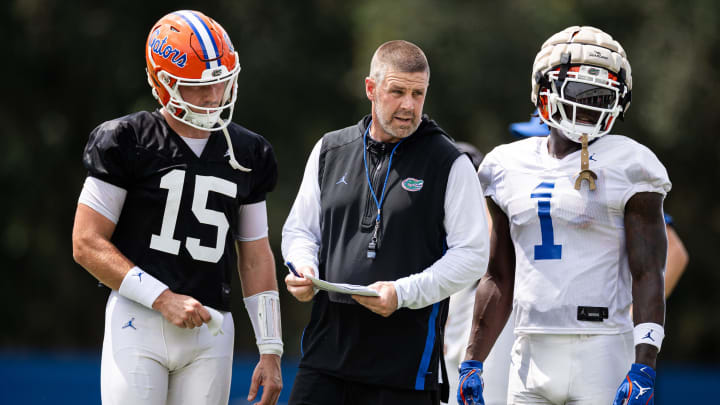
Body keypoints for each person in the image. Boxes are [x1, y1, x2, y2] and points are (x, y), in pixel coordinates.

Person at [71, 10, 282, 405]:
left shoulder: (249, 151)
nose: (213, 96)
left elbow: (255, 256)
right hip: (138, 322)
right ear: (162, 84)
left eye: (220, 83)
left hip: (211, 331)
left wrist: (271, 348)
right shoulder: (126, 139)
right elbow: (85, 242)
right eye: (198, 87)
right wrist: (162, 297)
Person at [458, 26, 671, 405]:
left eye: (602, 95)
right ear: (545, 90)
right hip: (529, 349)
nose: (590, 104)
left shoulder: (632, 164)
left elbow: (648, 273)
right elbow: (499, 274)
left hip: (603, 347)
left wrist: (645, 364)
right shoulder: (505, 164)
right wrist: (472, 360)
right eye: (579, 92)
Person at [282, 40, 490, 405]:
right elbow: (300, 230)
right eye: (397, 92)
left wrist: (404, 293)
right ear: (371, 88)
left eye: (418, 93)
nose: (409, 105)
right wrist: (304, 268)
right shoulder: (330, 149)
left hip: (404, 373)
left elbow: (472, 256)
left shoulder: (449, 163)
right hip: (324, 359)